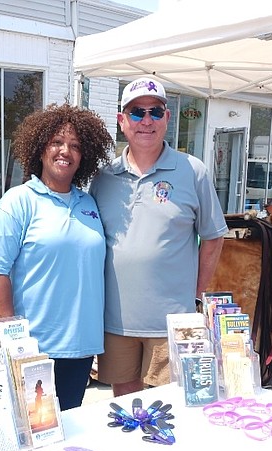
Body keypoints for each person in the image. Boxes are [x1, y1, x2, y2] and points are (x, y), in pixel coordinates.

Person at [89, 77, 228, 397]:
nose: (146, 120)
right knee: (126, 405)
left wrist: (194, 295)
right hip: (116, 322)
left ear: (167, 118)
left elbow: (214, 237)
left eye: (155, 111)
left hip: (173, 322)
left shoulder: (193, 171)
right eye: (137, 112)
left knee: (176, 406)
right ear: (122, 121)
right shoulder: (104, 178)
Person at [0, 104, 114, 410]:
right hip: (36, 347)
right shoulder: (18, 203)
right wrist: (13, 334)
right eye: (56, 142)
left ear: (84, 156)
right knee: (36, 433)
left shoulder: (89, 203)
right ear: (40, 148)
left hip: (81, 347)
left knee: (69, 428)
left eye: (75, 146)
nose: (65, 151)